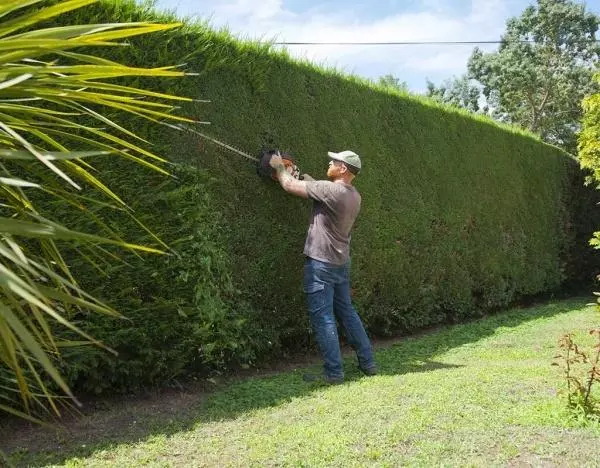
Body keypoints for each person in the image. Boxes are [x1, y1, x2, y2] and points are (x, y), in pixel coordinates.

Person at [269, 150, 377, 384]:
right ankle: (368, 363)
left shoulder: (331, 190)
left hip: (321, 263)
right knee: (347, 312)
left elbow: (288, 185)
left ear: (343, 169)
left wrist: (278, 167)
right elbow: (319, 190)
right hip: (340, 263)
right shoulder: (353, 195)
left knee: (323, 317)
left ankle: (334, 373)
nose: (329, 162)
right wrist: (305, 178)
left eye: (334, 161)